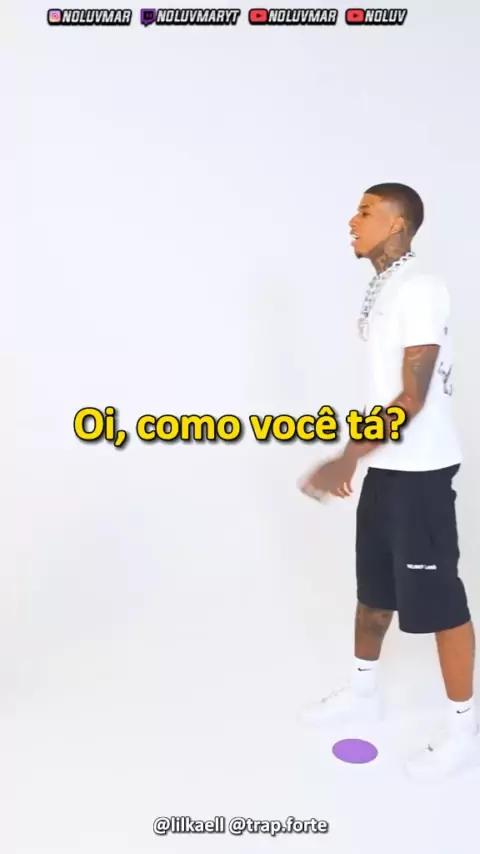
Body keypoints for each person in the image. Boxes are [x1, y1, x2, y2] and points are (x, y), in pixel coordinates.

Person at [299, 183, 477, 780]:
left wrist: (348, 457)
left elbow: (413, 396)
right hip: (388, 466)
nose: (353, 221)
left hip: (421, 473)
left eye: (366, 212)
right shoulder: (388, 286)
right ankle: (363, 694)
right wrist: (365, 458)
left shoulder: (421, 287)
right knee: (374, 592)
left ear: (397, 224)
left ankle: (463, 729)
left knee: (441, 603)